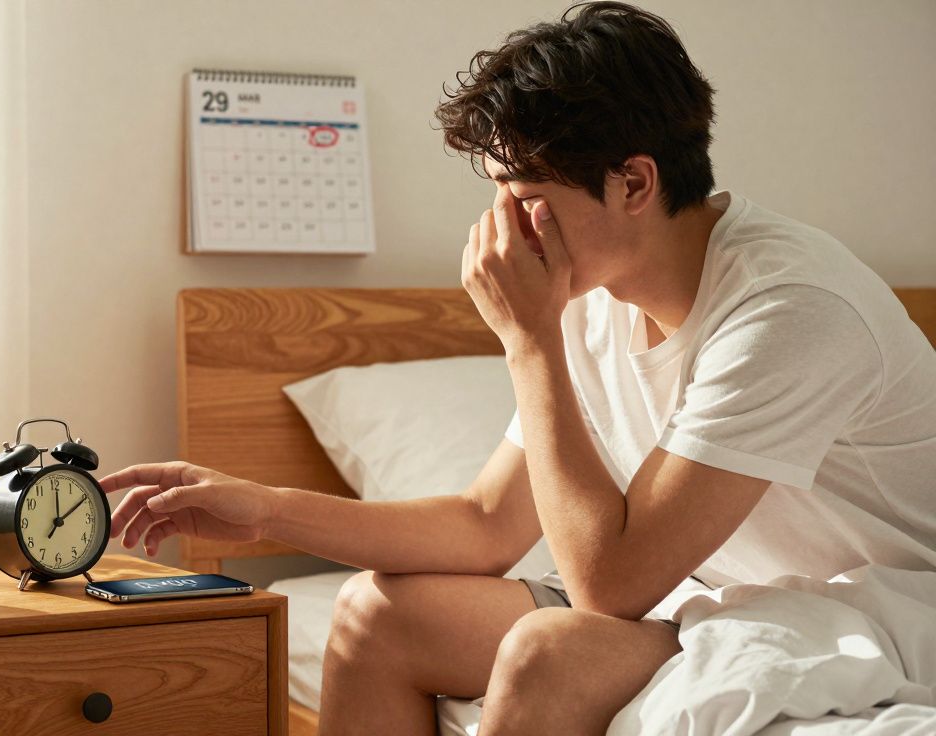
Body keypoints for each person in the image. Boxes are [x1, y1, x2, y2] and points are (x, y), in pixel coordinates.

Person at [99, 3, 936, 734]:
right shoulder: (593, 292)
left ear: (634, 183)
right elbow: (486, 524)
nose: (503, 227)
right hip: (734, 603)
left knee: (549, 650)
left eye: (522, 193)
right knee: (372, 613)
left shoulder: (792, 308)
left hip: (884, 612)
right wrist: (265, 510)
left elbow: (609, 587)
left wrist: (531, 340)